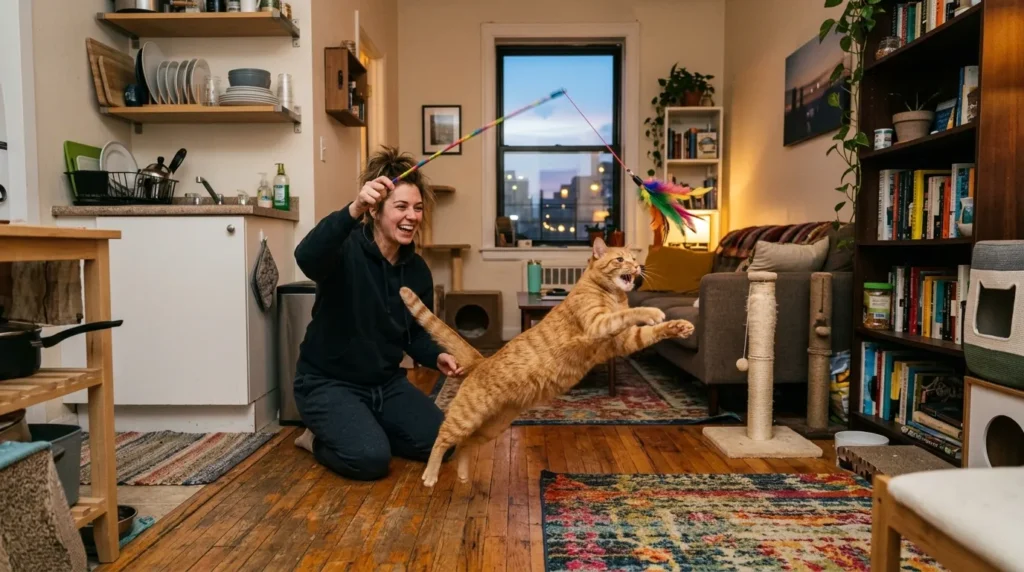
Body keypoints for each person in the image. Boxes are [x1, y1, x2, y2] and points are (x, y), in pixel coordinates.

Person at [291, 146, 462, 481]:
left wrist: (438, 355)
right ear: (375, 210)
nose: (412, 216)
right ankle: (315, 438)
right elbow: (306, 257)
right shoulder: (344, 249)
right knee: (370, 460)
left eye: (417, 208)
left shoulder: (417, 270)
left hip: (385, 385)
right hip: (327, 384)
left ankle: (365, 428)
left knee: (445, 443)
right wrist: (352, 209)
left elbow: (415, 334)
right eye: (401, 207)